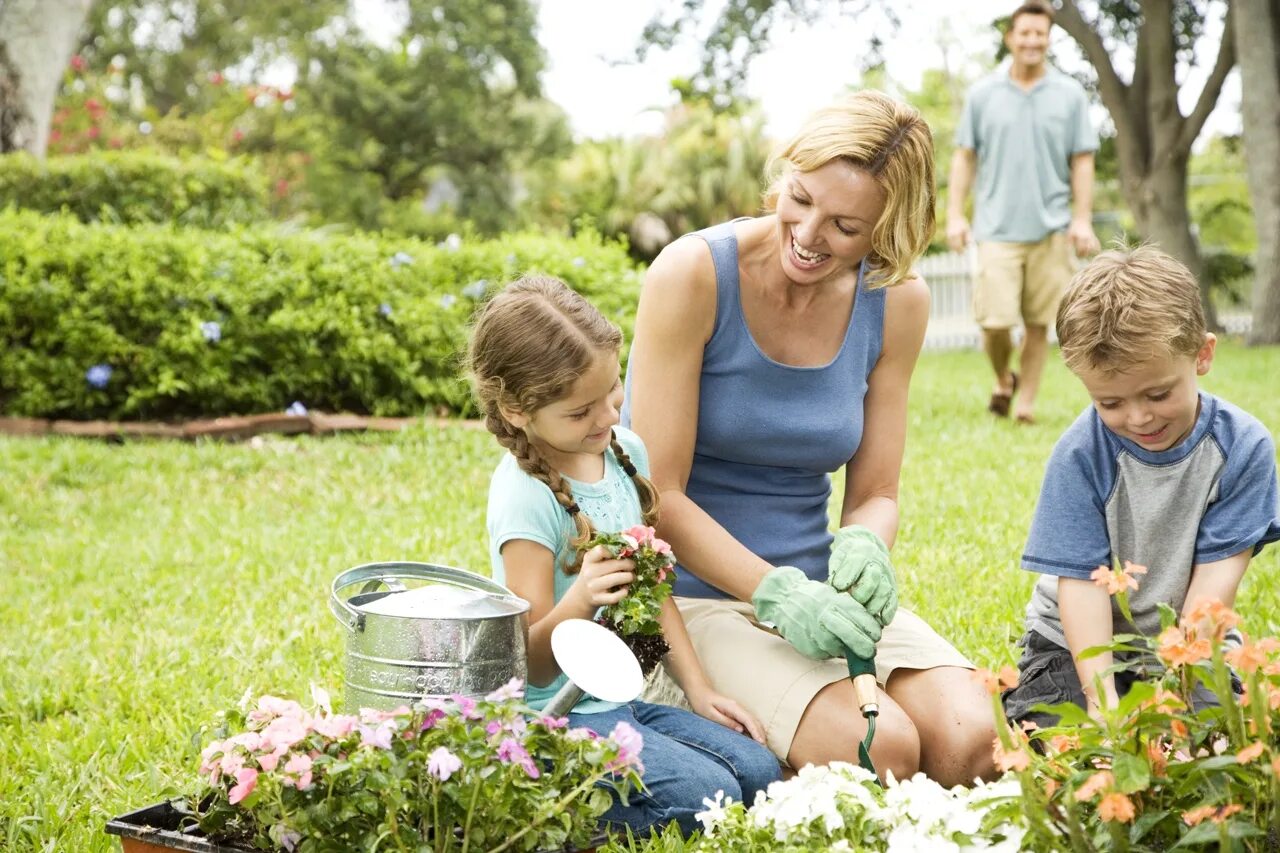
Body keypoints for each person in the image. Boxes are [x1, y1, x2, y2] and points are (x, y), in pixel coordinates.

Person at [621, 90, 999, 787]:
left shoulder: (897, 302)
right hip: (696, 598)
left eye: (845, 226)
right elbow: (656, 495)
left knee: (967, 738)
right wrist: (778, 594)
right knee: (883, 750)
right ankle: (689, 708)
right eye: (799, 198)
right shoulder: (693, 274)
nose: (808, 233)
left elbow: (877, 491)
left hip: (823, 596)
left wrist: (866, 545)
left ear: (887, 228)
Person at [468, 275, 781, 838]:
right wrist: (584, 597)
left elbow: (654, 590)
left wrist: (701, 691)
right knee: (704, 796)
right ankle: (546, 810)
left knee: (757, 772)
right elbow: (527, 662)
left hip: (622, 698)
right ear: (516, 409)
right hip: (555, 717)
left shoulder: (623, 453)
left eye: (614, 392)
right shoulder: (525, 496)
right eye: (581, 410)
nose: (608, 417)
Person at [1002, 246, 1280, 726]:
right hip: (1076, 643)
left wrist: (1181, 691)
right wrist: (1104, 702)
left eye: (1158, 393)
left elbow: (1213, 589)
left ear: (1203, 354)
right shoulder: (1080, 455)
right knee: (1058, 736)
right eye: (1110, 402)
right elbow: (1082, 587)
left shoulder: (1242, 447)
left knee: (1223, 738)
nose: (1138, 417)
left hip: (1190, 639)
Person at [947, 0, 1101, 424]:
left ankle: (1026, 406)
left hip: (1050, 227)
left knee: (1038, 323)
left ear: (1048, 39)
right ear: (1010, 38)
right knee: (995, 323)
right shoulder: (983, 94)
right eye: (1025, 33)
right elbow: (964, 157)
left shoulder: (1069, 95)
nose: (1033, 40)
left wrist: (1081, 218)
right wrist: (956, 215)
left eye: (1040, 34)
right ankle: (1003, 379)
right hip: (996, 228)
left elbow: (1082, 160)